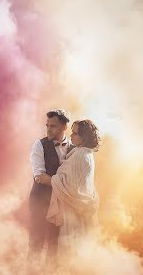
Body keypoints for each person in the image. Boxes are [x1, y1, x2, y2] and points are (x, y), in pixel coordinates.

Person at [45, 119, 100, 255]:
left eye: (75, 133)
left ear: (84, 136)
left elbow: (72, 189)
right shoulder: (86, 153)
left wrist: (51, 180)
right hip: (78, 213)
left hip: (73, 214)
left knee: (71, 252)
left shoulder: (81, 155)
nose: (71, 136)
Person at [28, 109, 72, 261]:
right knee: (36, 242)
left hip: (61, 204)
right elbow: (39, 176)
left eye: (52, 126)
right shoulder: (39, 145)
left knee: (55, 245)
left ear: (64, 127)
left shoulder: (73, 148)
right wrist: (63, 185)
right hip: (40, 200)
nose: (48, 129)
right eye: (47, 125)